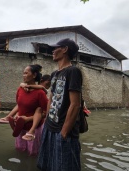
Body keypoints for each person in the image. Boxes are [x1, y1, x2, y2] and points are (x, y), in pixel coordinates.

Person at [37, 38, 82, 170]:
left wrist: (64, 131)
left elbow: (75, 104)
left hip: (63, 130)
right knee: (49, 165)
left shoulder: (73, 71)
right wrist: (46, 120)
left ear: (65, 49)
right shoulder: (54, 74)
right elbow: (51, 98)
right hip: (50, 126)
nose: (53, 51)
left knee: (64, 167)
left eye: (55, 48)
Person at [6, 64, 48, 155]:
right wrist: (15, 116)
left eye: (26, 73)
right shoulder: (20, 89)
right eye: (23, 73)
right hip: (20, 127)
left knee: (33, 154)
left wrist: (27, 119)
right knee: (20, 152)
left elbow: (45, 112)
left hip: (34, 129)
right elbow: (19, 105)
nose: (23, 75)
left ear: (34, 75)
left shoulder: (40, 93)